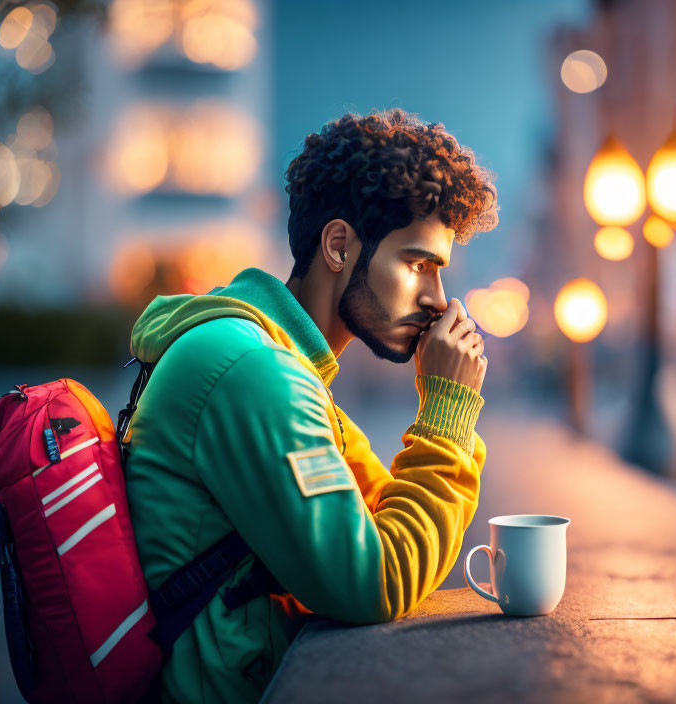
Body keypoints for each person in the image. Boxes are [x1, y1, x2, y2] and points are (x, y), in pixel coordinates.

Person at [125, 108, 499, 703]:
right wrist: (447, 415)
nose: (437, 298)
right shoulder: (254, 372)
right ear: (338, 245)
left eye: (439, 270)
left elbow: (382, 517)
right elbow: (378, 579)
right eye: (417, 263)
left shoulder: (285, 361)